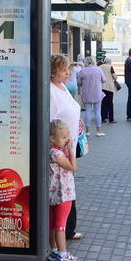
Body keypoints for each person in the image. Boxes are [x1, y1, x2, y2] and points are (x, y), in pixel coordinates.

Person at [49, 54, 83, 241]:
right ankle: (64, 231)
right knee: (64, 190)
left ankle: (67, 228)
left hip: (69, 145)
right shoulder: (51, 91)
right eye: (63, 69)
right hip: (60, 150)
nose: (67, 72)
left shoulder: (61, 87)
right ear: (53, 72)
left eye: (67, 69)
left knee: (68, 188)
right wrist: (60, 145)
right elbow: (51, 122)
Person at [47, 119, 78, 261]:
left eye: (68, 137)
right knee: (61, 225)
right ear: (52, 138)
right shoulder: (56, 153)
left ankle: (54, 251)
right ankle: (63, 254)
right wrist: (71, 150)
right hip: (63, 194)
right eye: (63, 138)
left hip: (53, 193)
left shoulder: (53, 151)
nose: (66, 140)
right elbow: (73, 166)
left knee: (53, 224)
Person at [78, 56, 106, 136]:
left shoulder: (82, 70)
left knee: (88, 111)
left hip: (87, 93)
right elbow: (104, 80)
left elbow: (79, 83)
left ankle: (87, 131)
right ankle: (99, 131)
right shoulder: (99, 69)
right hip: (97, 93)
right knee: (97, 111)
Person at [99, 57, 118, 123]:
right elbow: (114, 77)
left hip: (102, 87)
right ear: (110, 62)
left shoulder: (100, 67)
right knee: (110, 103)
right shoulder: (110, 67)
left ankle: (103, 118)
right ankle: (111, 119)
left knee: (103, 103)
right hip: (109, 87)